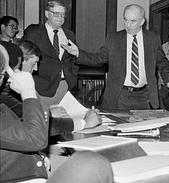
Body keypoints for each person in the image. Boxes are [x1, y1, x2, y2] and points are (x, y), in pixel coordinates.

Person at [0, 44, 113, 183]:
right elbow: (35, 138)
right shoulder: (6, 95)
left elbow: (17, 132)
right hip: (23, 175)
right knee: (95, 164)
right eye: (11, 71)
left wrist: (40, 156)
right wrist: (28, 91)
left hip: (29, 164)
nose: (35, 69)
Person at [64, 4, 169, 110]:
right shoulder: (113, 39)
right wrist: (78, 53)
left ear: (142, 21)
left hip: (145, 95)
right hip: (120, 95)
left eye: (133, 21)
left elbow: (162, 62)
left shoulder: (152, 38)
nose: (128, 24)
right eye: (125, 20)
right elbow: (99, 58)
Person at [0, 40, 102, 135]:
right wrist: (84, 123)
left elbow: (30, 113)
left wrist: (48, 110)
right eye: (34, 63)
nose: (36, 69)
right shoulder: (5, 94)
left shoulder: (12, 87)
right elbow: (36, 130)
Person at [22, 0, 80, 110]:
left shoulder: (69, 34)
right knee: (43, 122)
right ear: (47, 14)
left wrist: (72, 76)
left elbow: (73, 59)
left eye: (63, 14)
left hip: (65, 86)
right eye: (56, 14)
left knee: (63, 123)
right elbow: (25, 57)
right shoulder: (34, 32)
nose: (60, 17)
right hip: (42, 86)